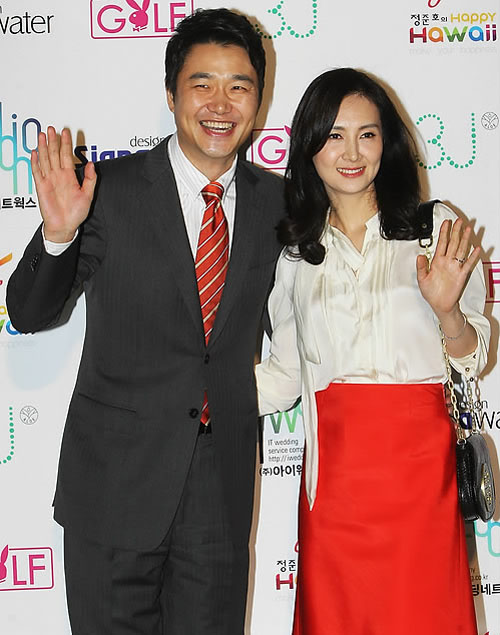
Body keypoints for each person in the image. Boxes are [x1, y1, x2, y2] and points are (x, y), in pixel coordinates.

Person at [7, 9, 284, 635]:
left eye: (238, 86)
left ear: (258, 101)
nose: (220, 104)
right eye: (201, 84)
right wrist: (57, 235)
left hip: (219, 493)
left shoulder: (278, 205)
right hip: (114, 487)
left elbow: (305, 322)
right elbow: (28, 311)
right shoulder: (107, 189)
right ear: (171, 94)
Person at [256, 68, 490, 634]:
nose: (352, 153)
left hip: (421, 477)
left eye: (367, 134)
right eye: (334, 136)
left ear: (388, 142)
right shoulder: (295, 253)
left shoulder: (436, 229)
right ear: (309, 145)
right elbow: (283, 377)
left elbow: (472, 357)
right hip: (334, 486)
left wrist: (447, 311)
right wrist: (189, 396)